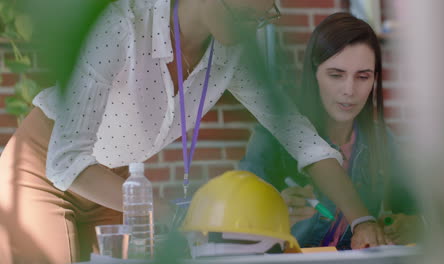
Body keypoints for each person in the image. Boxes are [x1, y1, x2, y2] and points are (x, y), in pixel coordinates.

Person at [0, 2, 385, 263]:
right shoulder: (123, 22)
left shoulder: (230, 52)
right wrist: (172, 215)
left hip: (114, 185)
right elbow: (66, 161)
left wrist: (361, 221)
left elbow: (301, 137)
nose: (261, 18)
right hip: (41, 169)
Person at [240, 12, 420, 249]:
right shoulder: (273, 137)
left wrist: (414, 225)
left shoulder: (383, 141)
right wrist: (273, 213)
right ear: (314, 74)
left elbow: (414, 211)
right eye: (336, 75)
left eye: (363, 77)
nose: (349, 90)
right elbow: (235, 223)